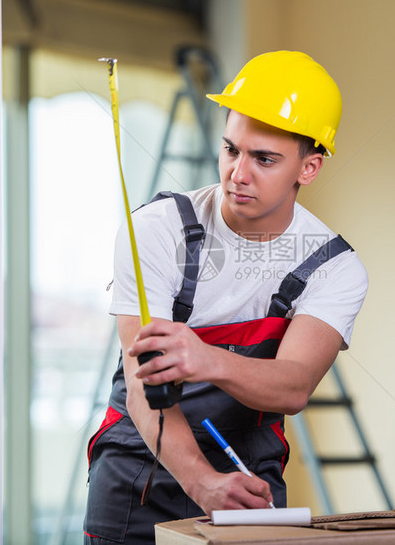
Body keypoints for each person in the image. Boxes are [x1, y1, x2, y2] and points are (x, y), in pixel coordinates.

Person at [83, 50, 368, 544]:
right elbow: (141, 385)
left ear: (310, 167)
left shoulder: (334, 267)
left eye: (264, 159)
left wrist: (204, 359)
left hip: (246, 471)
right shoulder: (156, 230)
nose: (238, 172)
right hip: (138, 469)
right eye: (232, 149)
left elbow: (293, 386)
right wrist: (201, 481)